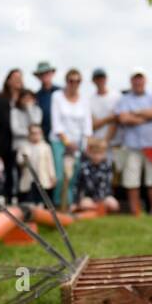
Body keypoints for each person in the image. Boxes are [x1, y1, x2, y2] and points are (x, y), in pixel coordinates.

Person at [115, 68, 152, 215]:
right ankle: (135, 212)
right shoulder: (124, 99)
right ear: (131, 81)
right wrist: (148, 116)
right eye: (135, 79)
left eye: (140, 79)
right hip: (132, 146)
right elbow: (124, 118)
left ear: (145, 80)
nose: (138, 82)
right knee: (132, 181)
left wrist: (136, 113)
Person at [51, 69, 92, 210]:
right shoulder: (57, 96)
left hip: (78, 144)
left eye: (77, 81)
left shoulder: (85, 99)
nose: (74, 84)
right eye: (71, 80)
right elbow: (56, 123)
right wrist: (67, 143)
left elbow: (87, 124)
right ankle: (58, 205)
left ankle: (68, 206)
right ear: (66, 81)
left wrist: (84, 144)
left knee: (74, 176)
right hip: (60, 142)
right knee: (61, 176)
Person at [0, 68, 25, 204]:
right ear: (8, 81)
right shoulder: (2, 99)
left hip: (23, 141)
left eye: (20, 77)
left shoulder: (25, 98)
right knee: (8, 171)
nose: (18, 80)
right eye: (15, 77)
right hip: (7, 141)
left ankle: (23, 198)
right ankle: (8, 198)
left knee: (22, 171)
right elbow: (1, 124)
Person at [73, 135, 119, 213]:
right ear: (89, 152)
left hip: (104, 197)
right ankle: (95, 209)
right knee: (85, 204)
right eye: (94, 153)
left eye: (100, 153)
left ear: (104, 153)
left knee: (113, 204)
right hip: (89, 197)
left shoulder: (107, 166)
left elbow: (105, 185)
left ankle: (98, 209)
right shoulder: (84, 166)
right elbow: (78, 186)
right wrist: (76, 202)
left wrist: (101, 201)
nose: (97, 156)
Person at [17, 123, 56, 203]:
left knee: (42, 201)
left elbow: (50, 163)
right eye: (34, 133)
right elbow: (19, 161)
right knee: (29, 201)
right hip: (28, 180)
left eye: (38, 133)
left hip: (42, 179)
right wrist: (25, 161)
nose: (36, 135)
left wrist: (52, 176)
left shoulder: (46, 147)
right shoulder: (24, 146)